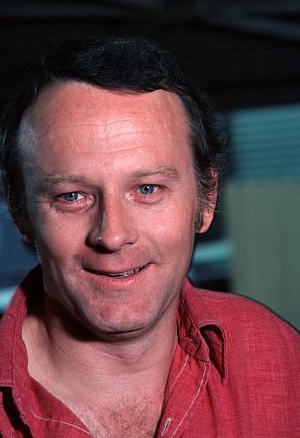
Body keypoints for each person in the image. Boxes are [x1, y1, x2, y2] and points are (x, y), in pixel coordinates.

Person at [0, 36, 299, 438]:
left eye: (148, 189)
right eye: (72, 196)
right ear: (21, 214)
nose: (113, 235)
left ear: (206, 199)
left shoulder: (275, 354)